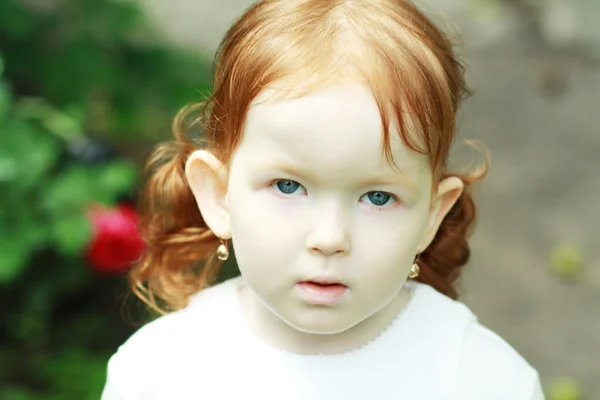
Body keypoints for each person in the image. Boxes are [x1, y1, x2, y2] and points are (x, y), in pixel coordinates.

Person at [101, 0, 545, 398]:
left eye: (377, 196)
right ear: (219, 195)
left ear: (432, 213)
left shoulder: (482, 380)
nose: (330, 238)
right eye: (288, 186)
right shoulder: (157, 374)